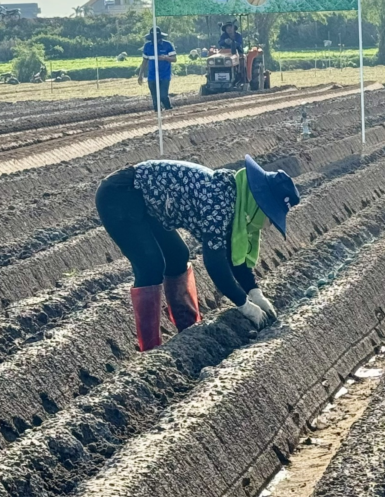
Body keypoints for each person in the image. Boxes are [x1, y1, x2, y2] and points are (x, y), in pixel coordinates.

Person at [95, 155, 301, 351]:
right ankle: (150, 347)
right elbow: (215, 262)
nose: (267, 225)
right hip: (120, 194)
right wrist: (244, 304)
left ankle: (188, 327)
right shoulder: (220, 201)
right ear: (259, 202)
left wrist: (255, 292)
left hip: (145, 200)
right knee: (150, 267)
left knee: (177, 257)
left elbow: (232, 255)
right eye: (269, 216)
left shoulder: (236, 198)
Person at [138, 27, 176, 111]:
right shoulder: (147, 46)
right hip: (152, 76)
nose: (155, 40)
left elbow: (174, 59)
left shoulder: (167, 45)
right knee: (155, 99)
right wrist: (140, 75)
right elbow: (144, 61)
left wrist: (165, 58)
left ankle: (169, 109)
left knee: (163, 96)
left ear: (160, 38)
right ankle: (157, 115)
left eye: (157, 38)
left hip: (164, 75)